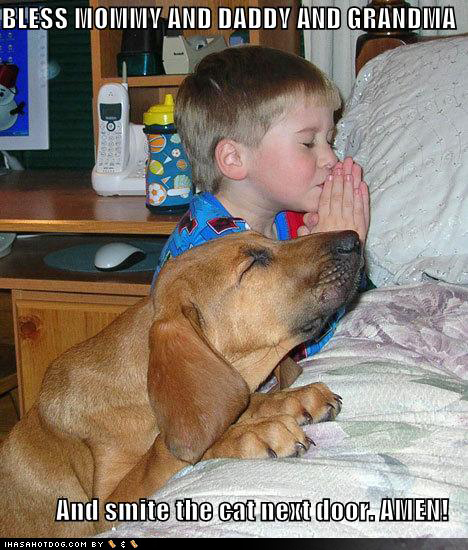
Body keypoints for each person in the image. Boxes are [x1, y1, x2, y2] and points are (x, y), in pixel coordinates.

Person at [152, 45, 369, 361]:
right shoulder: (214, 259)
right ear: (234, 158)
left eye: (329, 140)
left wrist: (342, 254)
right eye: (308, 142)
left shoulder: (287, 219)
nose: (331, 159)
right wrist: (332, 259)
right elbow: (281, 357)